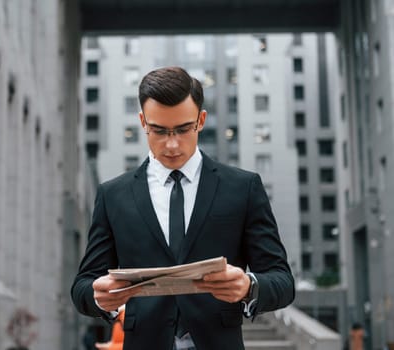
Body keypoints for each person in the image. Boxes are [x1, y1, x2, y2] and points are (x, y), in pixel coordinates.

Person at [71, 66, 295, 349]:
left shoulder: (243, 188)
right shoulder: (113, 195)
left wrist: (249, 286)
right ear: (143, 122)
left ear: (201, 120)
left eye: (183, 129)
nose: (172, 144)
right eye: (159, 131)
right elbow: (82, 285)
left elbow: (283, 282)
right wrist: (99, 297)